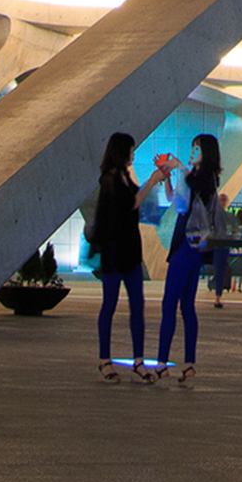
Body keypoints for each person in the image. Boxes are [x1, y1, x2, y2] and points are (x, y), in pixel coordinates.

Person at [151, 134, 224, 384]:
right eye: (192, 148)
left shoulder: (200, 177)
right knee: (187, 307)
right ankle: (189, 363)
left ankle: (162, 363)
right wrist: (170, 176)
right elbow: (173, 198)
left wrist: (179, 168)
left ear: (207, 153)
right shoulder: (205, 178)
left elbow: (181, 206)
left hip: (185, 245)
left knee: (169, 304)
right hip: (197, 248)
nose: (193, 152)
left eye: (197, 149)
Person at [88, 131, 155, 383]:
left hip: (131, 250)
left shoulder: (125, 177)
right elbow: (131, 204)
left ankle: (138, 361)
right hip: (114, 251)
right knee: (110, 304)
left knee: (138, 305)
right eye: (130, 150)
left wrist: (152, 182)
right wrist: (152, 181)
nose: (133, 155)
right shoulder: (109, 179)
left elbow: (134, 202)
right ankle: (105, 360)